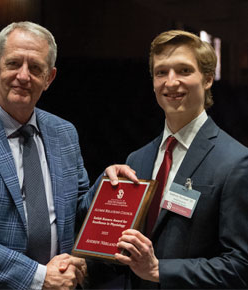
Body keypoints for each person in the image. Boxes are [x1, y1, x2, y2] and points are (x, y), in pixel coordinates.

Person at [0, 21, 137, 289]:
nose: (23, 75)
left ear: (49, 78)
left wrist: (108, 189)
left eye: (35, 68)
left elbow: (75, 213)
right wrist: (39, 277)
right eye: (14, 63)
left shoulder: (64, 133)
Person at [90, 30, 248, 289]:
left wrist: (159, 270)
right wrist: (81, 265)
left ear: (208, 79)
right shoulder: (137, 159)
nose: (171, 82)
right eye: (161, 72)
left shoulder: (236, 162)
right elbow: (124, 251)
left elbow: (241, 266)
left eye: (184, 70)